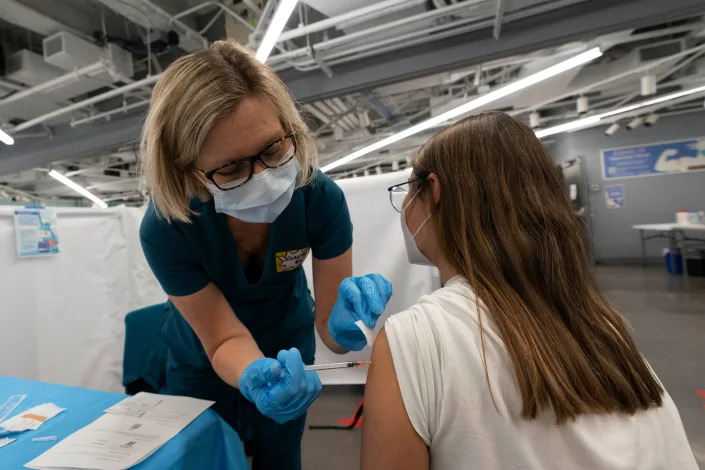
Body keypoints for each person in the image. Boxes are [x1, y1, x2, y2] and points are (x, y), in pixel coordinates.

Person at [361, 111, 697, 469]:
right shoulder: (604, 326)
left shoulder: (413, 339)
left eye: (409, 187)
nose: (406, 203)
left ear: (436, 191)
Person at [138, 40, 392, 470]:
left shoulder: (318, 197)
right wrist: (251, 374)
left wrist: (347, 326)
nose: (265, 178)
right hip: (201, 360)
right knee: (203, 456)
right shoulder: (167, 227)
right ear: (188, 172)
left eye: (273, 149)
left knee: (280, 456)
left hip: (286, 347)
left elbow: (331, 328)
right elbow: (222, 339)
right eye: (231, 169)